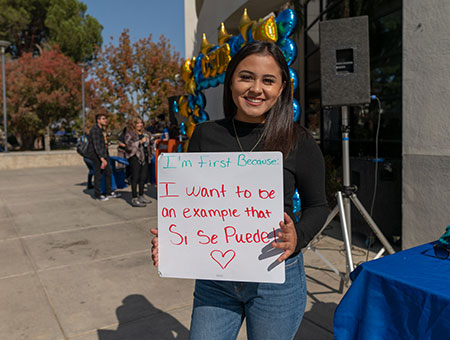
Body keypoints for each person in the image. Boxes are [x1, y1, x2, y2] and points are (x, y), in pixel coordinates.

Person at [151, 41, 328, 340]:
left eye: (268, 80)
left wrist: (298, 236)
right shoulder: (205, 135)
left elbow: (318, 206)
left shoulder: (298, 140)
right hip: (215, 280)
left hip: (276, 277)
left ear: (282, 88)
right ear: (231, 80)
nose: (256, 89)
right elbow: (191, 207)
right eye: (246, 77)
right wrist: (172, 241)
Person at [88, 114, 121, 201]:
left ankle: (109, 192)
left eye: (105, 118)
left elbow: (102, 144)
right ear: (98, 120)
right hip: (97, 156)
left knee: (108, 173)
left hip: (104, 154)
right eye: (103, 119)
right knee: (98, 175)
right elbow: (96, 145)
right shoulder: (95, 130)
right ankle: (98, 194)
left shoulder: (102, 130)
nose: (105, 120)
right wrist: (102, 158)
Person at [124, 117, 153, 207]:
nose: (140, 125)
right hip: (135, 156)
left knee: (143, 177)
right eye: (137, 123)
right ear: (134, 124)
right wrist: (139, 142)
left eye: (141, 123)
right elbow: (128, 146)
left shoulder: (145, 133)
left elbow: (152, 141)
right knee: (135, 177)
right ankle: (134, 198)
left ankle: (141, 195)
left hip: (145, 156)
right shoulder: (130, 133)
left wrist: (151, 140)